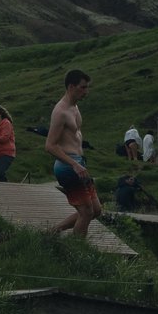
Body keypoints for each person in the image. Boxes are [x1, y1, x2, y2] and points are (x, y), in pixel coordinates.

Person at [46, 70, 103, 239]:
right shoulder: (60, 111)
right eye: (83, 88)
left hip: (79, 163)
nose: (86, 92)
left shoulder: (75, 107)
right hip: (68, 166)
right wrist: (74, 164)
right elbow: (50, 145)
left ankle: (53, 231)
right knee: (86, 212)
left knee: (96, 211)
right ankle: (78, 251)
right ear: (71, 87)